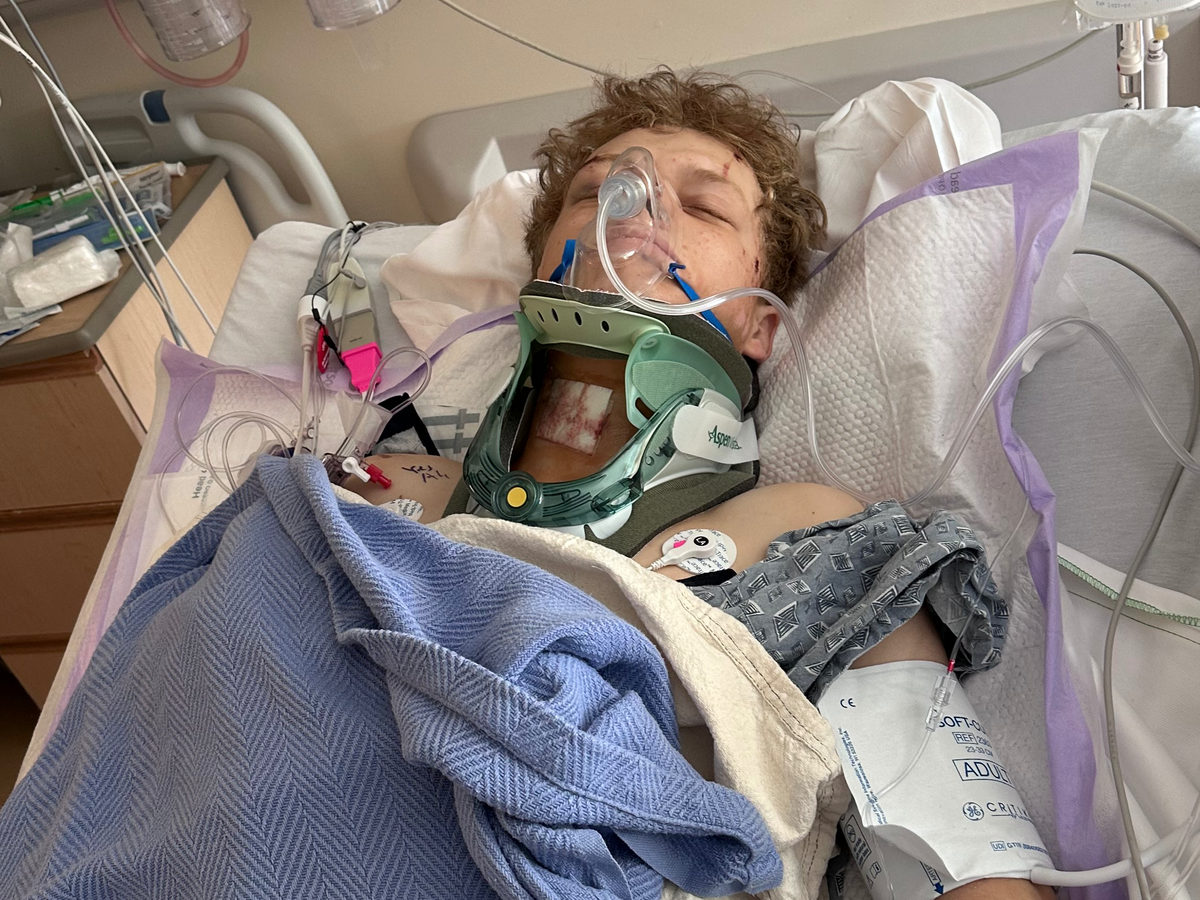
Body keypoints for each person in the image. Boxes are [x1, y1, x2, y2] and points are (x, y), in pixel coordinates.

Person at [349, 69, 1051, 900]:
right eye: (592, 192)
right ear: (539, 265)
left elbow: (961, 863)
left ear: (760, 322)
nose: (633, 208)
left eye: (706, 207)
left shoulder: (811, 538)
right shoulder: (387, 492)